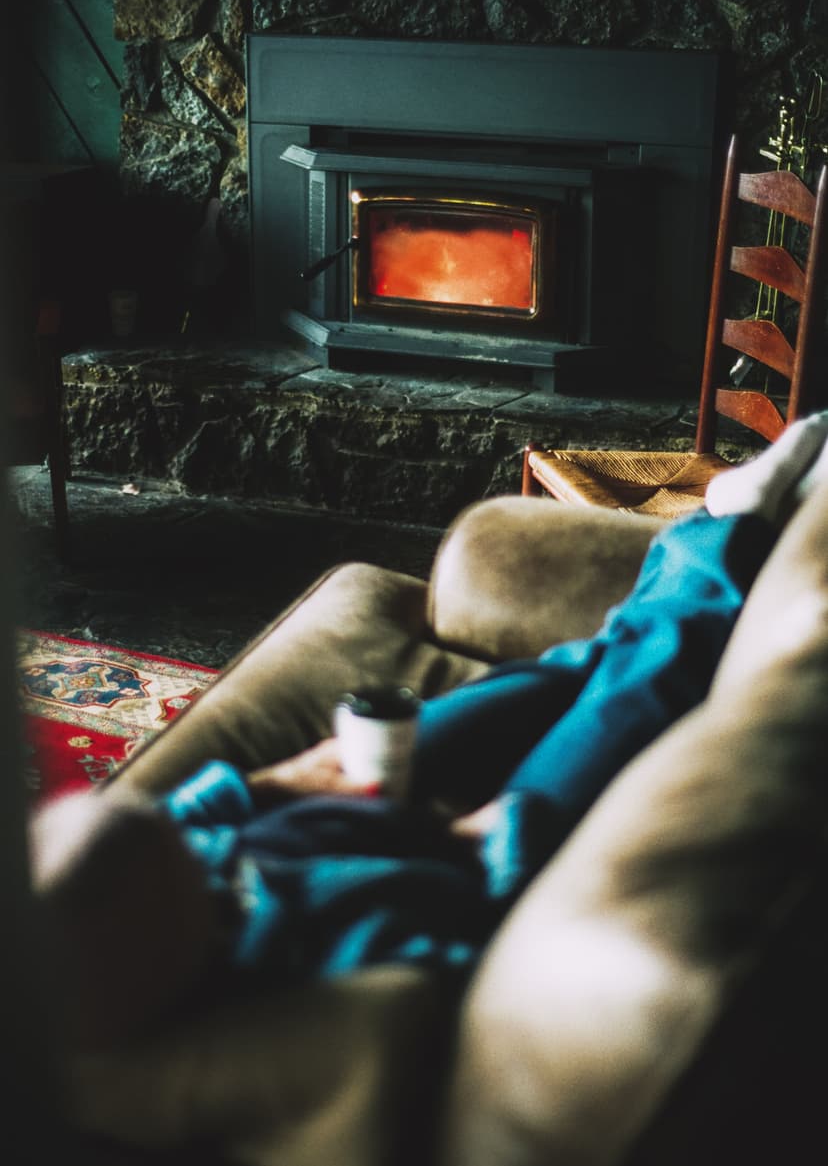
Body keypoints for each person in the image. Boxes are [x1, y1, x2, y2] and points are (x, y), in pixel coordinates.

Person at [29, 412, 828, 1049]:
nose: (193, 853)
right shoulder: (315, 958)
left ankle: (713, 534)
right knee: (638, 686)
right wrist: (479, 837)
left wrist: (299, 773)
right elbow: (455, 936)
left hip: (367, 790)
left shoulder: (161, 873)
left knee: (566, 670)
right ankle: (730, 527)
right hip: (494, 834)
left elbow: (190, 819)